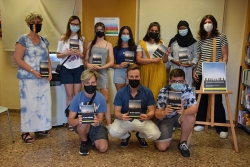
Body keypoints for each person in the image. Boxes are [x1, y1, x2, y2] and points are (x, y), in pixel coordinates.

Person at [14, 11, 52, 144]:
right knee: (28, 105)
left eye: (38, 23)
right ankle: (25, 132)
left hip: (42, 78)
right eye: (33, 23)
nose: (36, 25)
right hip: (28, 79)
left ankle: (39, 128)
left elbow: (47, 58)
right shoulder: (23, 39)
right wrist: (33, 71)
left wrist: (50, 72)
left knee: (42, 104)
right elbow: (17, 59)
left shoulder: (44, 40)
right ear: (28, 24)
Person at [192, 14, 229, 138]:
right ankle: (201, 122)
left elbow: (225, 56)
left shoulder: (221, 36)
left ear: (214, 23)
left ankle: (221, 127)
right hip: (202, 71)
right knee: (201, 98)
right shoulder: (201, 39)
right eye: (205, 22)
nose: (207, 24)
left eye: (210, 22)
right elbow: (199, 57)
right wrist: (195, 71)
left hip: (215, 72)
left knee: (217, 99)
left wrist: (220, 68)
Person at [109, 64, 161, 148]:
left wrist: (147, 116)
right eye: (131, 76)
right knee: (112, 132)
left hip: (141, 120)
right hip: (125, 120)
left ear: (140, 77)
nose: (134, 79)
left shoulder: (147, 92)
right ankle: (126, 136)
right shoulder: (121, 92)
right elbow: (116, 112)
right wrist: (122, 116)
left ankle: (140, 135)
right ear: (127, 78)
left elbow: (152, 111)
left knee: (156, 135)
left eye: (136, 76)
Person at [155, 69, 197, 157]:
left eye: (180, 81)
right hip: (166, 119)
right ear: (170, 82)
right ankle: (164, 134)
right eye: (174, 81)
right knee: (162, 147)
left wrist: (185, 111)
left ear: (184, 81)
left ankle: (182, 143)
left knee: (190, 116)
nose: (177, 84)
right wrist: (164, 113)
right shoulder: (163, 91)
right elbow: (157, 113)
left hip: (179, 116)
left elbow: (194, 108)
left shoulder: (188, 89)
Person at [68, 69, 108, 156]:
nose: (90, 85)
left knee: (103, 148)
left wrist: (98, 122)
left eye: (93, 83)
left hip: (96, 125)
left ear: (96, 83)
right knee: (84, 122)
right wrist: (77, 121)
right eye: (87, 83)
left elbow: (101, 117)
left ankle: (91, 137)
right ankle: (84, 142)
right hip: (81, 124)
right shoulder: (77, 98)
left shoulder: (101, 98)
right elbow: (70, 120)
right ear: (83, 84)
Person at [56, 15, 85, 132]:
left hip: (78, 68)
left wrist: (78, 53)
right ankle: (70, 120)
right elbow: (58, 54)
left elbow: (84, 56)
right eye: (73, 24)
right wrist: (67, 53)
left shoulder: (81, 38)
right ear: (69, 24)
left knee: (76, 95)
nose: (75, 26)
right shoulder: (63, 38)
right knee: (69, 95)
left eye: (77, 24)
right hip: (66, 68)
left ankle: (77, 119)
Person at [85, 22, 114, 128]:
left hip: (103, 73)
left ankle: (109, 123)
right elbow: (86, 60)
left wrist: (101, 67)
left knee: (105, 99)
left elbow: (112, 62)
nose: (100, 31)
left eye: (102, 29)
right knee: (91, 98)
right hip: (92, 74)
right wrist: (89, 65)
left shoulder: (108, 44)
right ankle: (91, 121)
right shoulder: (90, 44)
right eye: (98, 29)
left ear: (104, 31)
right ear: (95, 30)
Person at [136, 22, 169, 100]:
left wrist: (167, 54)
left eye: (156, 31)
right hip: (146, 70)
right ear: (148, 31)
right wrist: (152, 60)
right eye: (152, 30)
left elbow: (164, 60)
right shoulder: (142, 43)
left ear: (158, 32)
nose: (154, 32)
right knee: (146, 93)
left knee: (157, 93)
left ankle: (157, 111)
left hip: (159, 70)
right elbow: (138, 59)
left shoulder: (161, 42)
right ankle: (147, 111)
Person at [168, 20, 198, 86]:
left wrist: (191, 64)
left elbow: (196, 56)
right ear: (178, 29)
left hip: (187, 69)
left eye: (184, 28)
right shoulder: (173, 41)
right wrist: (174, 61)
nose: (182, 30)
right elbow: (168, 55)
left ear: (188, 29)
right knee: (174, 90)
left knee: (186, 89)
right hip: (175, 68)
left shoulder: (193, 42)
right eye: (180, 28)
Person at [112, 26, 137, 91]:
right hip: (119, 72)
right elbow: (111, 64)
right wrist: (119, 66)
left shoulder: (135, 48)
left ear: (130, 35)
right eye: (123, 33)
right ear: (120, 35)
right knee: (120, 93)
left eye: (127, 34)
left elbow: (138, 63)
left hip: (131, 72)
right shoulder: (116, 49)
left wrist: (133, 65)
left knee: (131, 93)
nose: (125, 35)